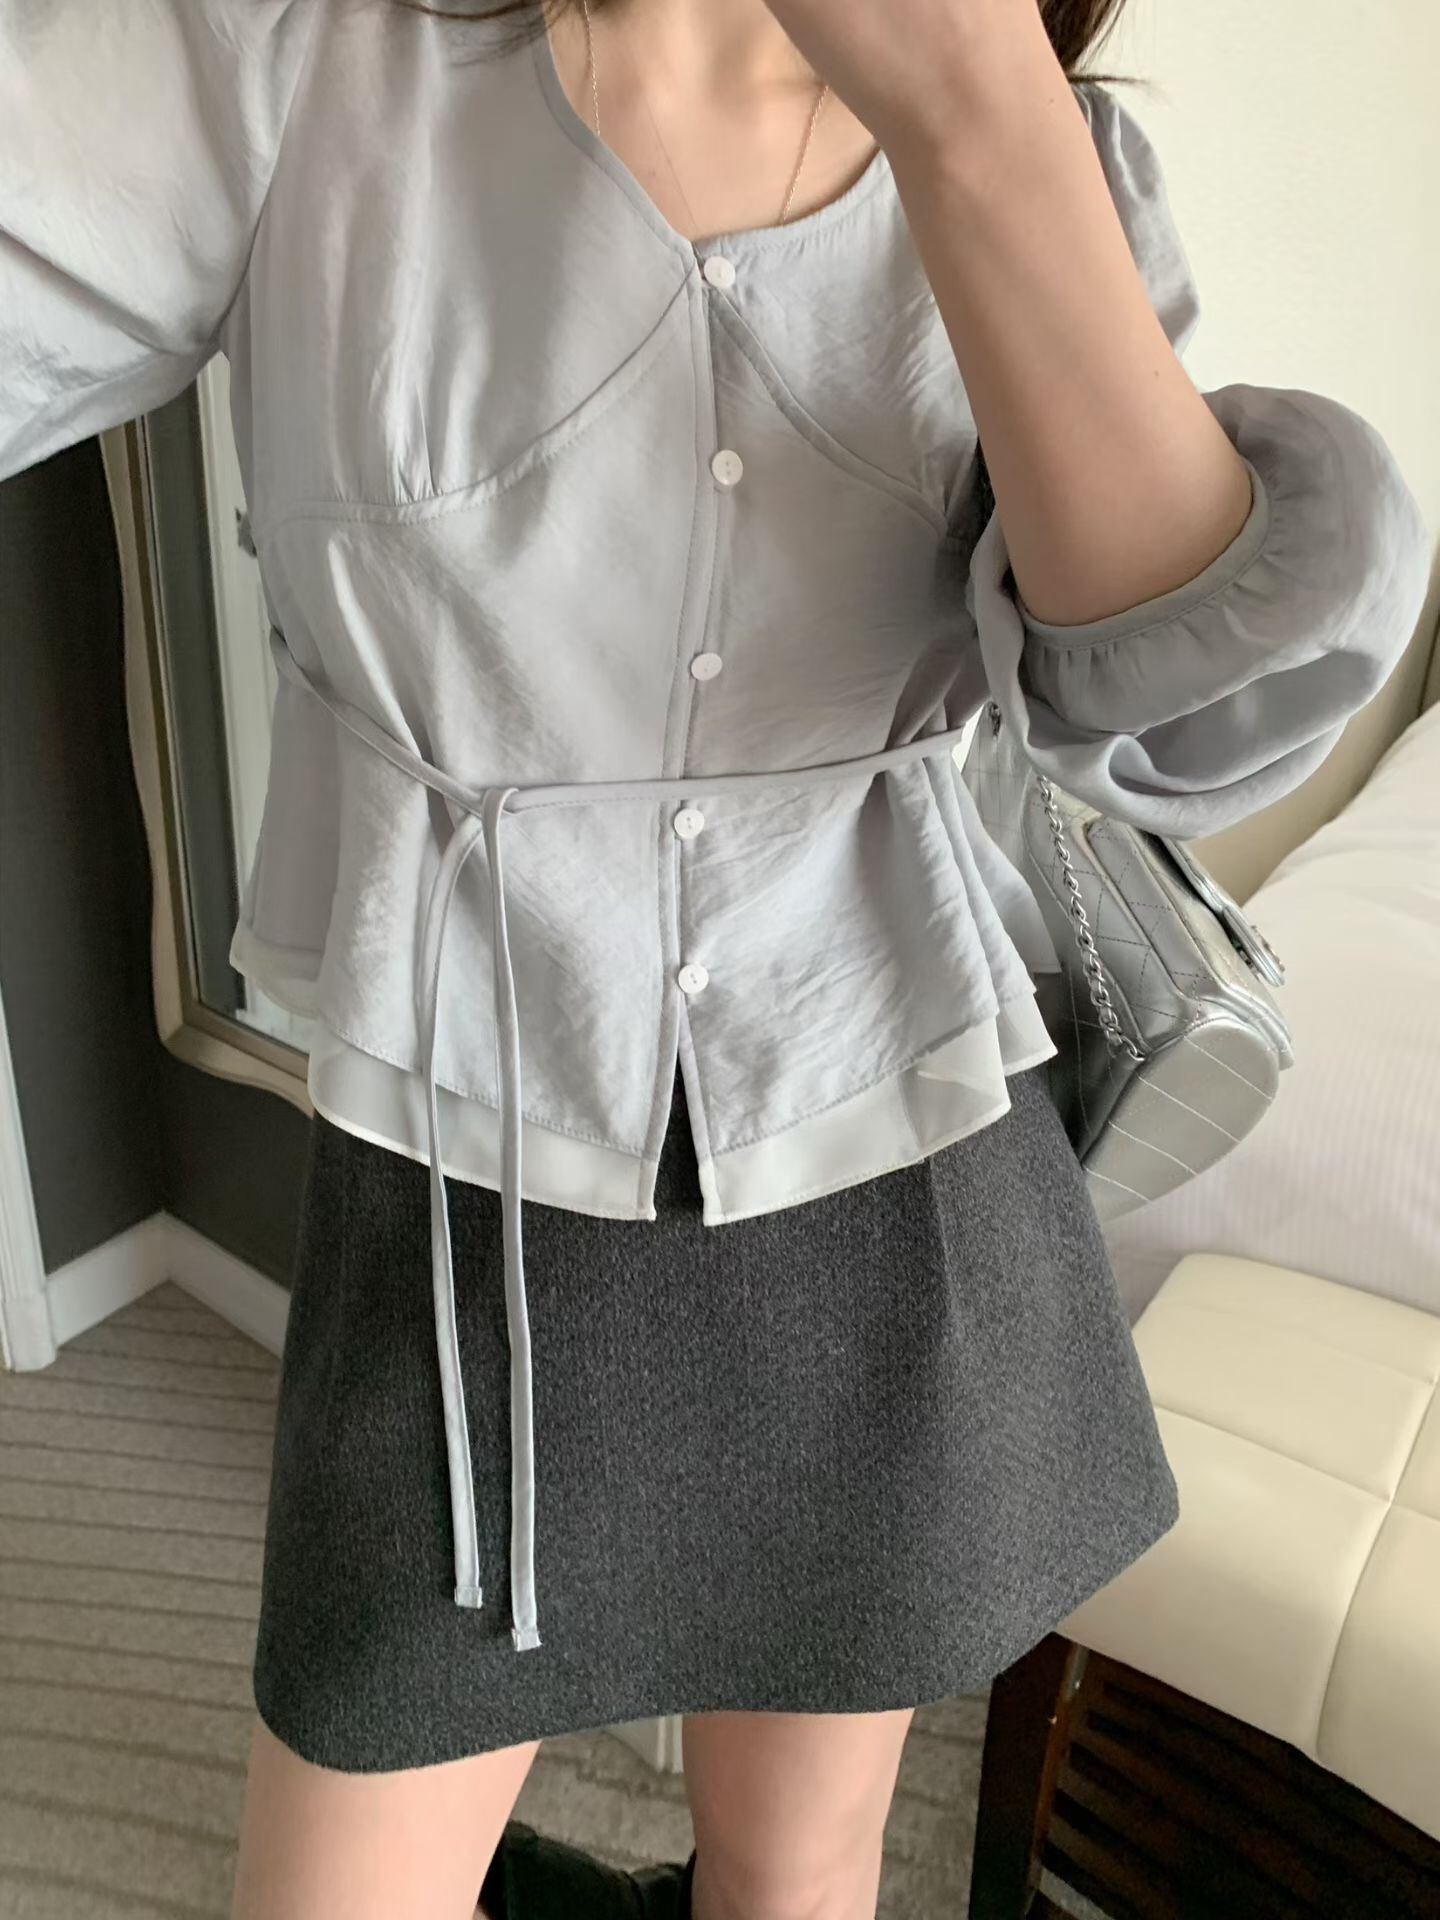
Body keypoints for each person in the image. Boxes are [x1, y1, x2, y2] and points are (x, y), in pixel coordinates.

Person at [1, 1, 1428, 1916]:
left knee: (799, 1872)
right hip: (466, 1196)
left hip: (890, 1160)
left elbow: (1173, 723)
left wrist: (973, 104)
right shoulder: (302, 61)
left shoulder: (1049, 150)